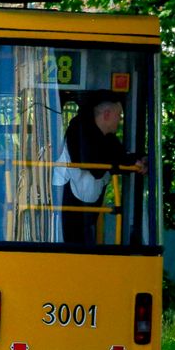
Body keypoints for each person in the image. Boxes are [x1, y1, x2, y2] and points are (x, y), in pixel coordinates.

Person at [57, 95, 143, 245]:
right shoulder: (79, 128)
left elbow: (120, 157)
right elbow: (93, 166)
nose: (120, 120)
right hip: (65, 203)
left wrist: (140, 161)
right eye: (119, 115)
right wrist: (123, 161)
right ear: (107, 115)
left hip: (86, 207)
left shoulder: (107, 138)